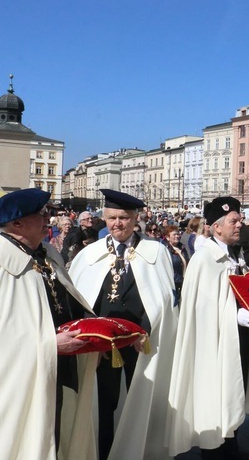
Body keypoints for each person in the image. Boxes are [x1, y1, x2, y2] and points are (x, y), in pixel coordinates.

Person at [69, 189, 178, 460]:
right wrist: (92, 339)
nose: (118, 224)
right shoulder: (89, 254)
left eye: (125, 218)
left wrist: (145, 332)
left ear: (136, 218)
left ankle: (139, 450)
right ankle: (103, 451)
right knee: (103, 402)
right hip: (100, 346)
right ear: (104, 219)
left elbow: (164, 298)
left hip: (141, 343)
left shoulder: (155, 251)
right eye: (112, 218)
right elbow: (78, 300)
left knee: (141, 399)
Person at [0, 188, 98, 459]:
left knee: (59, 432)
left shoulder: (48, 255)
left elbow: (71, 302)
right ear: (16, 223)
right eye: (41, 214)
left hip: (62, 366)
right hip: (19, 377)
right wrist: (47, 345)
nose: (48, 218)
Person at [167, 196, 249, 458]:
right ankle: (214, 451)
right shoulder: (205, 259)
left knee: (234, 391)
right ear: (216, 227)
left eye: (240, 219)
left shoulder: (236, 254)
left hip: (239, 337)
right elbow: (201, 309)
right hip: (215, 342)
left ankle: (231, 445)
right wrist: (234, 315)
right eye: (234, 221)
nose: (240, 224)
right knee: (217, 392)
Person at [162, 225, 189, 305]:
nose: (177, 236)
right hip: (173, 284)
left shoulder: (182, 248)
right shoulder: (165, 249)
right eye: (174, 234)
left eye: (178, 234)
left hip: (184, 283)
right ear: (167, 237)